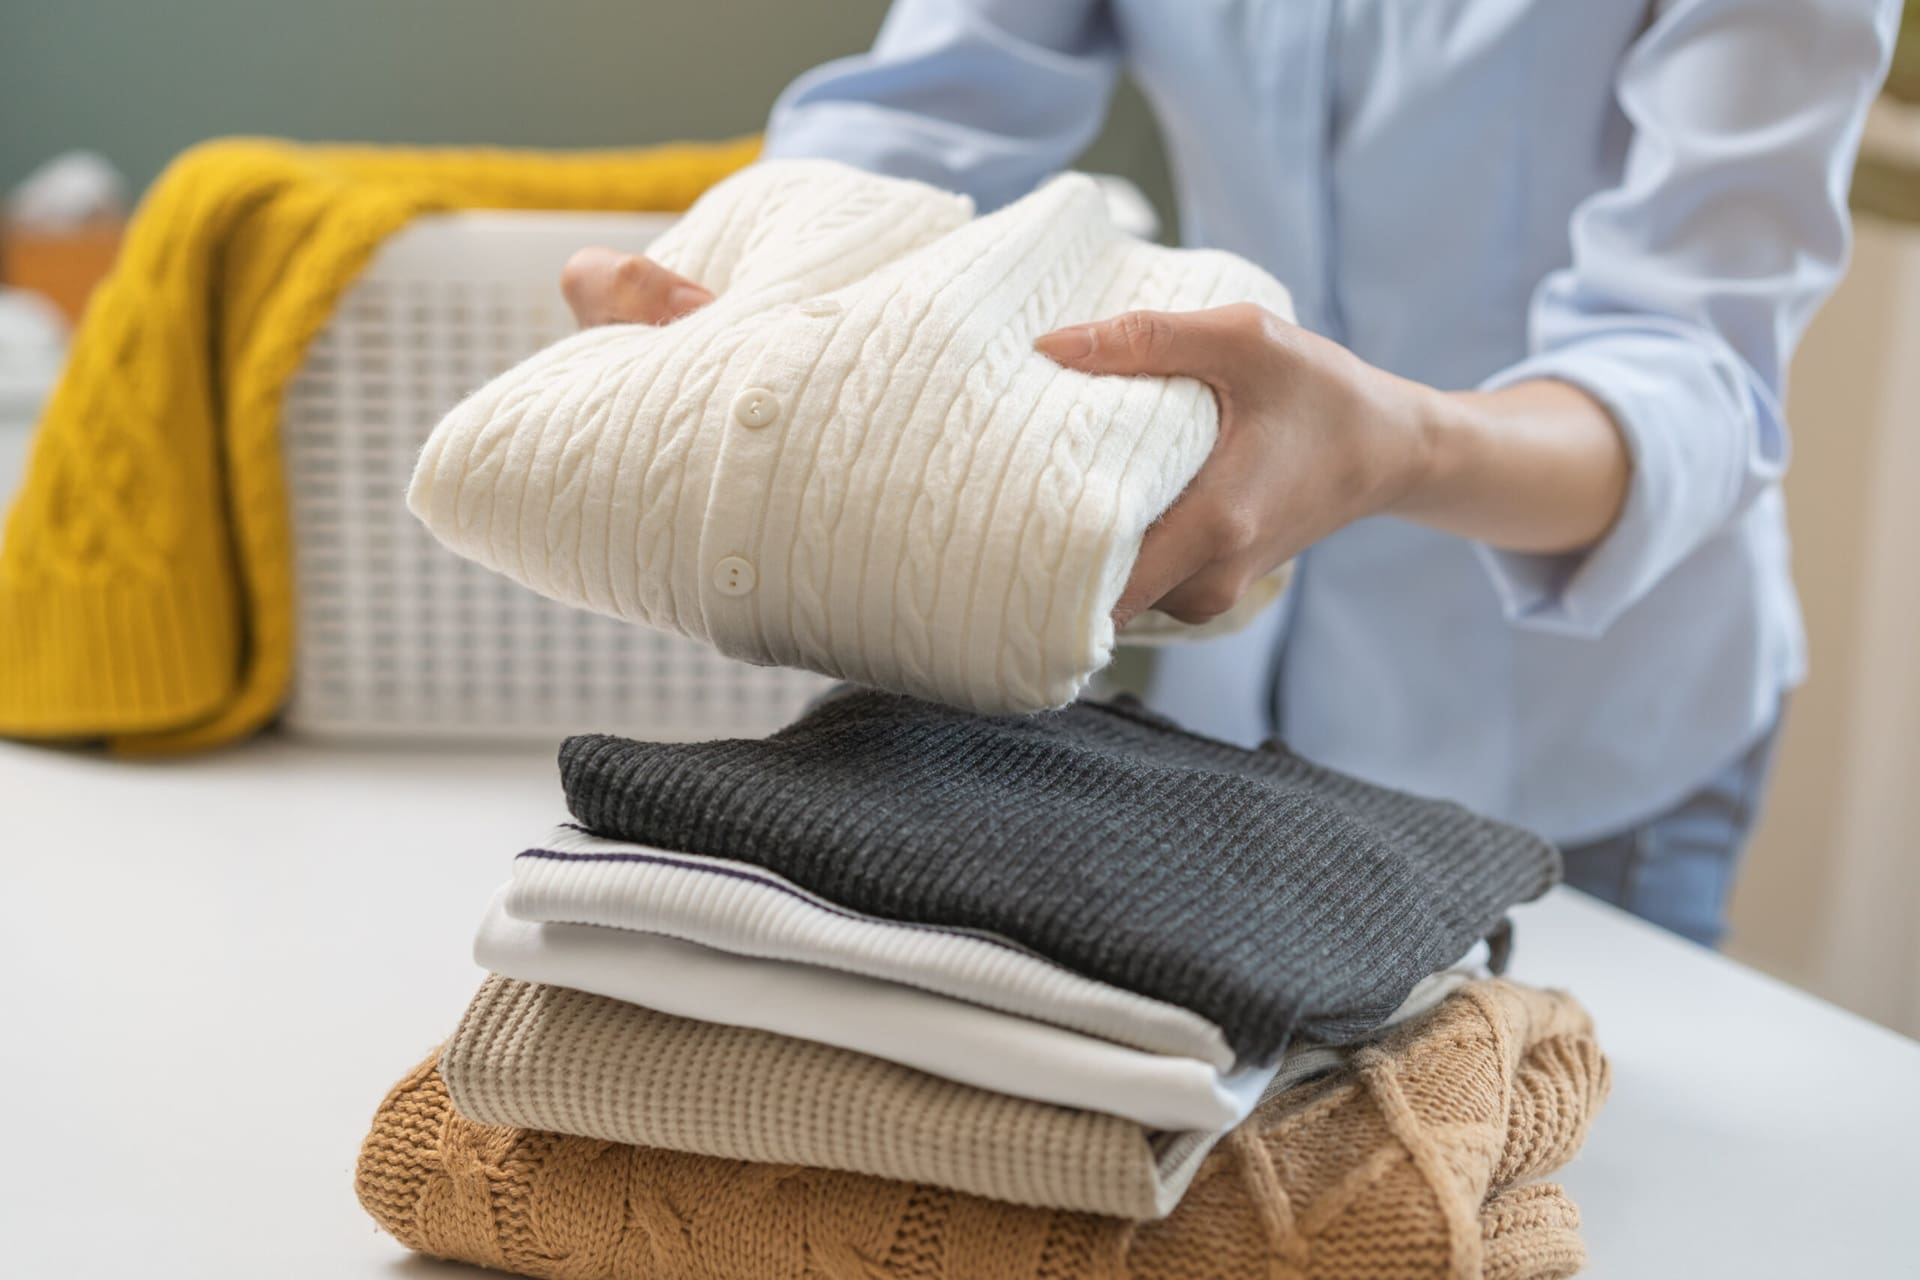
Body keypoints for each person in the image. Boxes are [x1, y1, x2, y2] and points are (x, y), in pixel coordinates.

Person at [557, 0, 1901, 947]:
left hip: (1574, 734)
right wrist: (743, 274)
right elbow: (933, 106)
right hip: (1232, 695)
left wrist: (1400, 444)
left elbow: (1691, 372)